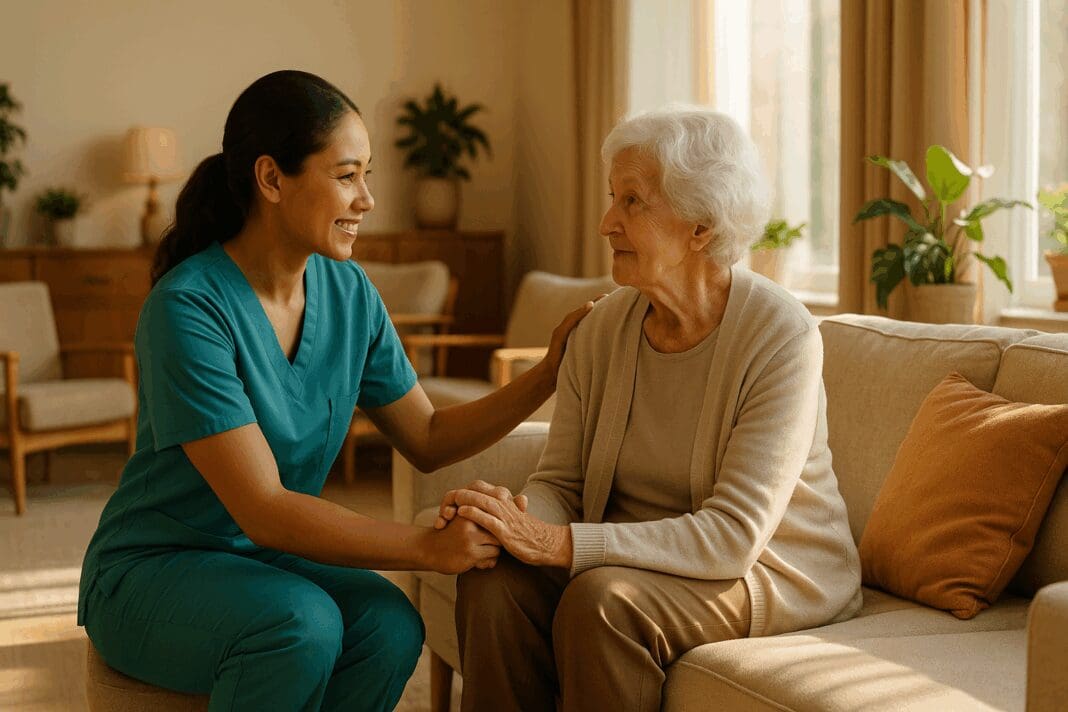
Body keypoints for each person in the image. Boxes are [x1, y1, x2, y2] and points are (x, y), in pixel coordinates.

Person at [77, 70, 592, 712]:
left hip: (266, 562)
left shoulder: (349, 296)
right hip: (155, 570)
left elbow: (428, 437)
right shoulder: (187, 309)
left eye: (366, 175)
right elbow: (263, 507)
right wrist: (428, 548)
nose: (367, 200)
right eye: (347, 176)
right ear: (272, 179)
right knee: (299, 625)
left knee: (389, 624)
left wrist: (546, 373)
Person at [437, 105, 863, 712]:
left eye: (632, 201)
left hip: (764, 571)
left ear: (701, 227)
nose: (607, 222)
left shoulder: (781, 337)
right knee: (492, 581)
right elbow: (562, 480)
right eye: (613, 198)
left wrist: (560, 544)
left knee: (601, 602)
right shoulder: (602, 327)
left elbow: (733, 538)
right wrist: (514, 520)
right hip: (635, 559)